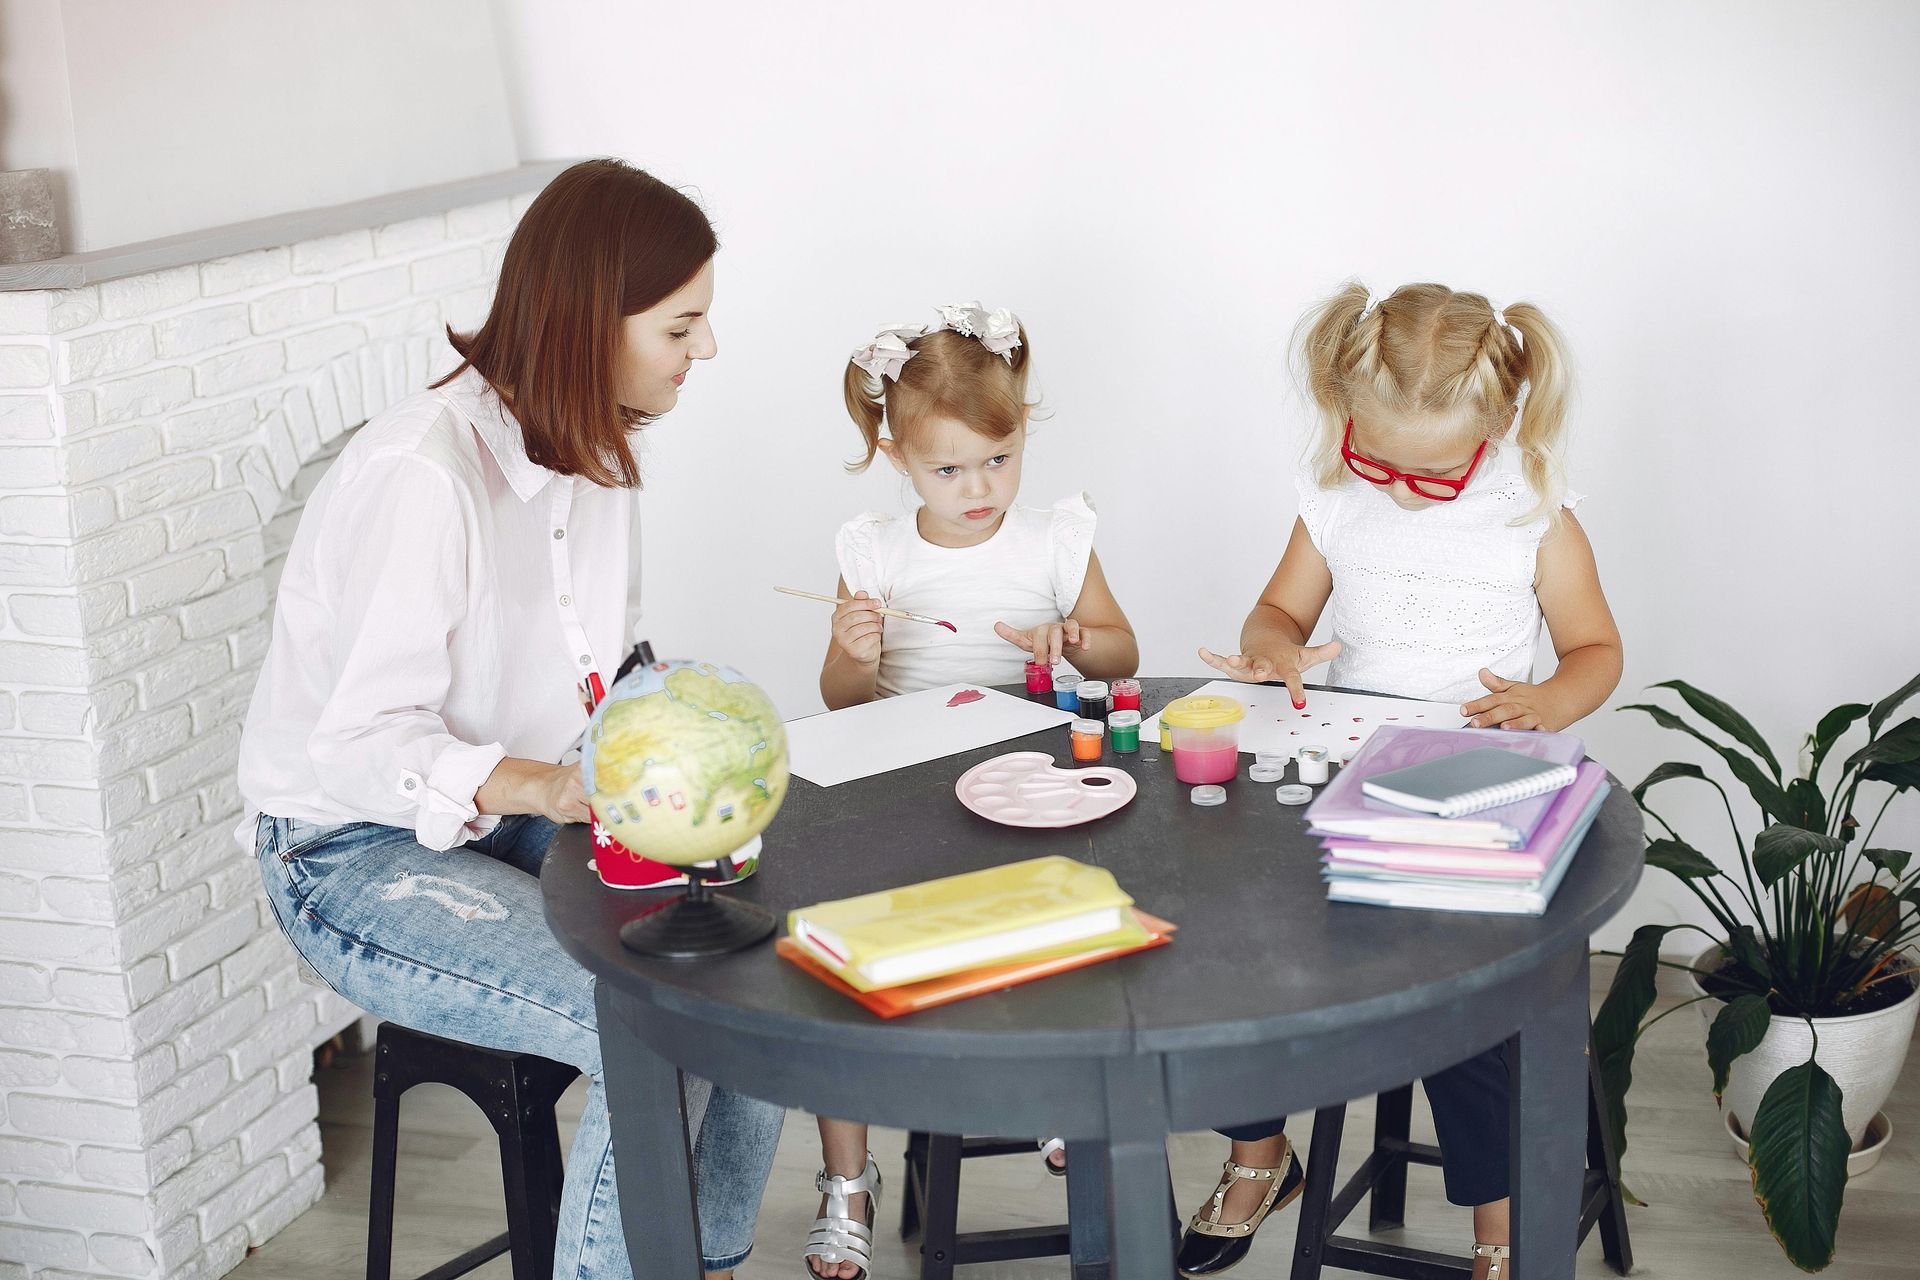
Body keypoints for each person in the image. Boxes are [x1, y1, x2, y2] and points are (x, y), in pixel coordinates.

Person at [237, 158, 784, 1280]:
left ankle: (702, 1263)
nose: (707, 350)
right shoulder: (421, 476)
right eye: (684, 326)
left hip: (510, 804)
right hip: (351, 851)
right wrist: (544, 785)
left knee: (752, 965)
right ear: (596, 321)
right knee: (656, 1029)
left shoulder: (599, 447)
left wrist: (669, 723)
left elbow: (594, 670)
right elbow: (358, 746)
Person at [1179, 281, 1624, 1280]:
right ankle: (1260, 1156)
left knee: (1464, 999)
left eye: (1433, 472)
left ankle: (1501, 1225)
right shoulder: (1336, 496)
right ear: (1344, 416)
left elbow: (1595, 647)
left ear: (1502, 423)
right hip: (1346, 779)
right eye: (1377, 458)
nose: (1402, 490)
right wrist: (1272, 650)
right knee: (1239, 949)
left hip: (1476, 792)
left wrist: (1547, 700)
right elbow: (1276, 614)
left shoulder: (1534, 515)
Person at [803, 303, 1139, 1278]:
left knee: (1066, 919)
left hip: (1033, 788)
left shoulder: (1053, 540)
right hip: (904, 790)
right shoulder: (874, 552)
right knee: (842, 956)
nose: (979, 487)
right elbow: (838, 698)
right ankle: (847, 1182)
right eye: (949, 470)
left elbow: (1124, 650)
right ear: (894, 452)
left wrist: (1073, 639)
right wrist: (856, 656)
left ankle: (1050, 1091)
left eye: (998, 459)